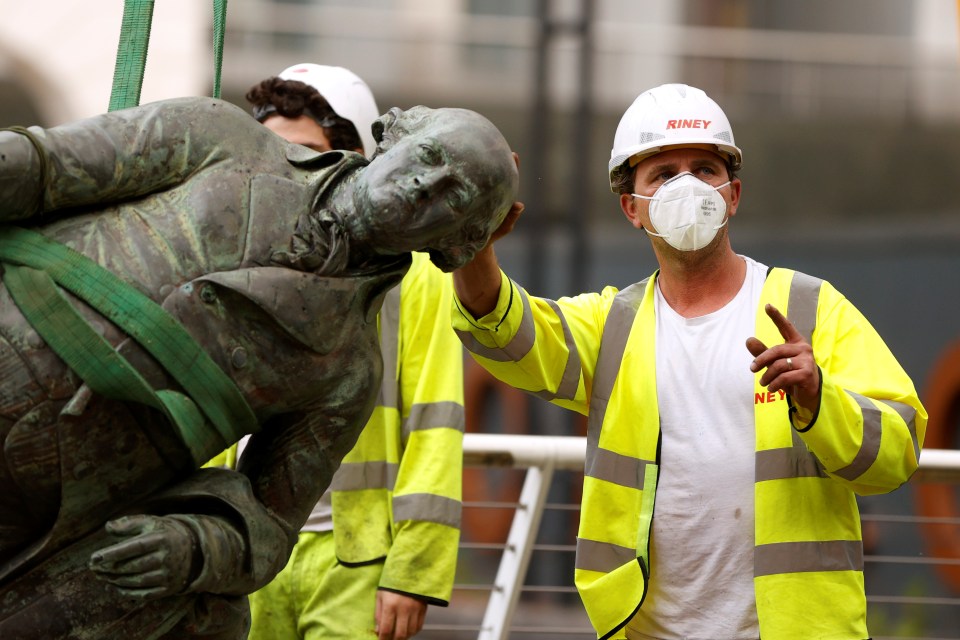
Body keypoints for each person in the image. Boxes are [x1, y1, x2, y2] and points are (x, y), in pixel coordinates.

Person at [0, 93, 517, 639]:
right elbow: (42, 167)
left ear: (455, 245)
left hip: (48, 510)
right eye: (430, 155)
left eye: (455, 196)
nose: (423, 185)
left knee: (210, 616)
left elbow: (269, 524)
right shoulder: (222, 136)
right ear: (392, 136)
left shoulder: (347, 371)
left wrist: (194, 548)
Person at [451, 83, 926, 639]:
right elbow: (504, 328)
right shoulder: (613, 328)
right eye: (663, 173)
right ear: (632, 208)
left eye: (704, 168)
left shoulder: (811, 307)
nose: (688, 186)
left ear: (733, 194)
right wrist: (469, 243)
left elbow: (899, 450)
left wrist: (821, 401)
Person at [213, 63, 464, 640]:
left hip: (357, 563)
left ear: (358, 158)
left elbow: (436, 424)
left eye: (303, 152)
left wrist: (414, 571)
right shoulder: (231, 265)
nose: (283, 172)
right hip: (245, 549)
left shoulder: (417, 280)